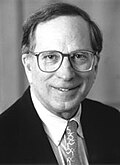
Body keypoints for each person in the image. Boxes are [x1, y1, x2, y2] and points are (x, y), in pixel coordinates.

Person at [0, 2, 120, 164]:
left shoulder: (113, 122)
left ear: (95, 65)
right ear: (28, 65)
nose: (66, 74)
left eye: (78, 56)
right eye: (50, 57)